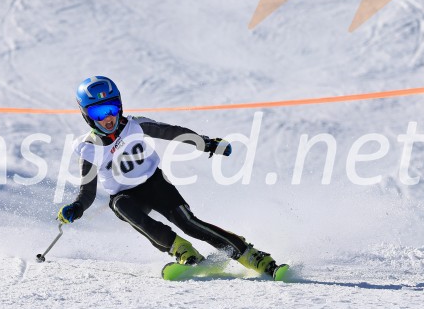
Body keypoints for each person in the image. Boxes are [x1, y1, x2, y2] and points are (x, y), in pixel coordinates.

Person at [57, 76, 287, 279]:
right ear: (86, 114)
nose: (108, 118)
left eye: (112, 109)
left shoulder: (135, 125)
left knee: (189, 223)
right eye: (98, 112)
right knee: (121, 206)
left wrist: (206, 143)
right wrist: (77, 207)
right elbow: (87, 192)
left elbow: (172, 132)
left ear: (120, 106)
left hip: (155, 184)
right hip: (125, 195)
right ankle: (182, 250)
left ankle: (252, 256)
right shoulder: (87, 147)